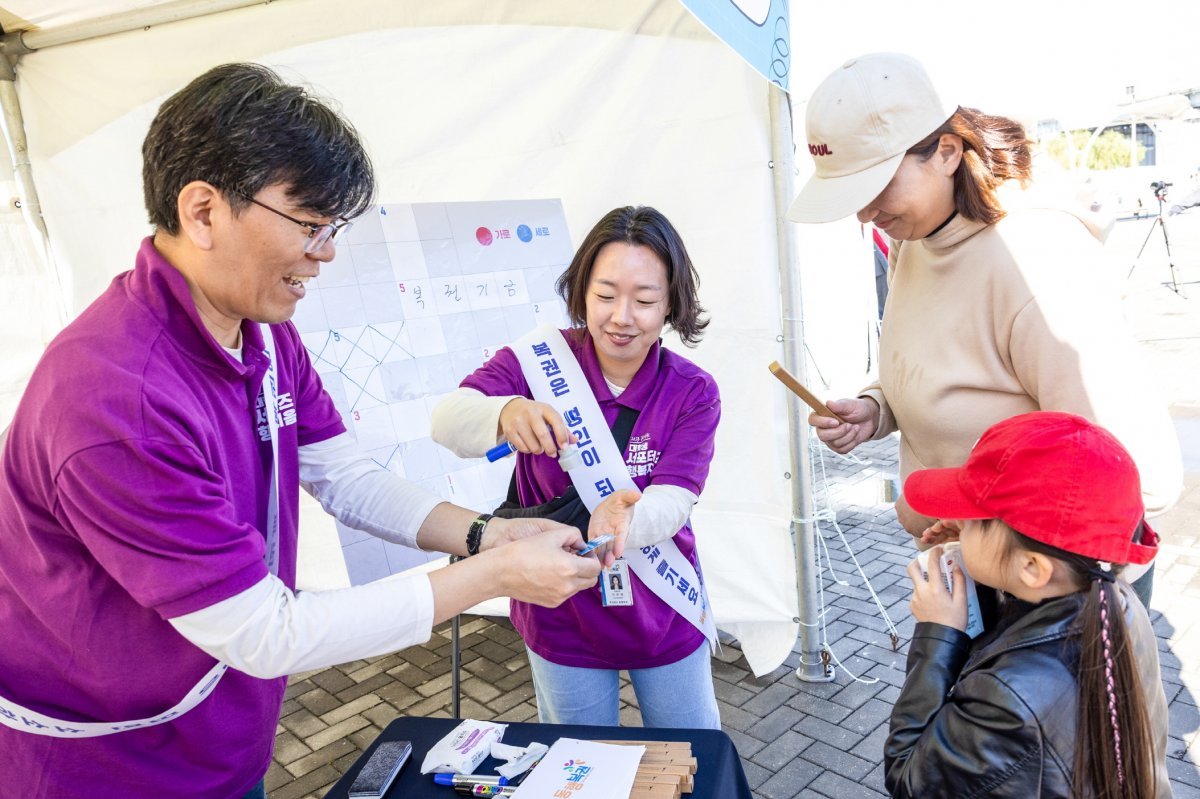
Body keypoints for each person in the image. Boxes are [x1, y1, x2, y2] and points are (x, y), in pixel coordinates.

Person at [0, 63, 604, 799]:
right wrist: (492, 577)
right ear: (202, 210)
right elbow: (266, 631)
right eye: (311, 226)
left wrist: (484, 535)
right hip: (112, 766)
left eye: (332, 228)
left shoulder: (262, 333)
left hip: (224, 729)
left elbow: (344, 476)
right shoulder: (113, 399)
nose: (326, 254)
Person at [787, 52, 1181, 608]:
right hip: (975, 563)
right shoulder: (916, 241)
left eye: (874, 183)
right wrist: (879, 407)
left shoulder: (1038, 259)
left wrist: (1017, 563)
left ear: (946, 151)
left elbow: (1128, 468)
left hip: (1045, 589)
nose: (862, 213)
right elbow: (942, 365)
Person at [430, 206, 722, 729]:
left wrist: (628, 518)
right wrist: (504, 411)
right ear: (581, 292)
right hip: (559, 608)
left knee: (693, 756)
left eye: (646, 300)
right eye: (606, 295)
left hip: (662, 605)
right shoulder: (538, 362)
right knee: (578, 767)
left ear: (673, 302)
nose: (622, 317)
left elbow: (677, 497)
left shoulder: (692, 390)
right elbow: (447, 420)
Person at [884, 411, 1172, 798]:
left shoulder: (1009, 697)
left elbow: (911, 779)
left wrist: (939, 634)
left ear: (1033, 567)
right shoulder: (1112, 602)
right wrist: (984, 560)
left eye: (976, 520)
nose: (959, 520)